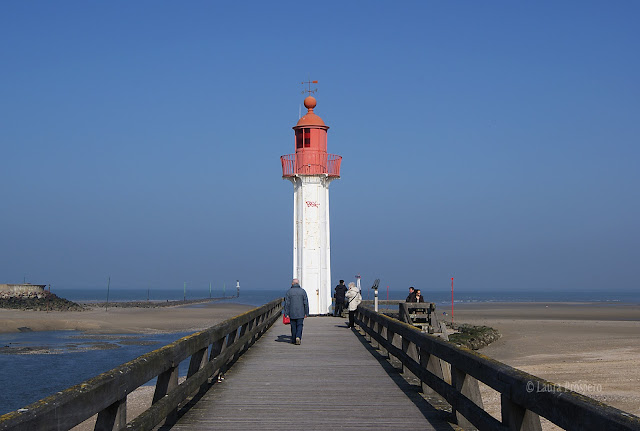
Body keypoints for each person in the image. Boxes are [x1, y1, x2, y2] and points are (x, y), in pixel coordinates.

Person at [283, 278, 309, 345]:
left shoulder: (289, 292)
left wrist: (286, 313)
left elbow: (287, 303)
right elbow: (305, 303)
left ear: (292, 283)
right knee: (300, 325)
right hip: (301, 312)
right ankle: (298, 337)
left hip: (292, 312)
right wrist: (306, 312)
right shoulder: (303, 291)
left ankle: (294, 339)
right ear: (298, 283)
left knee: (293, 326)